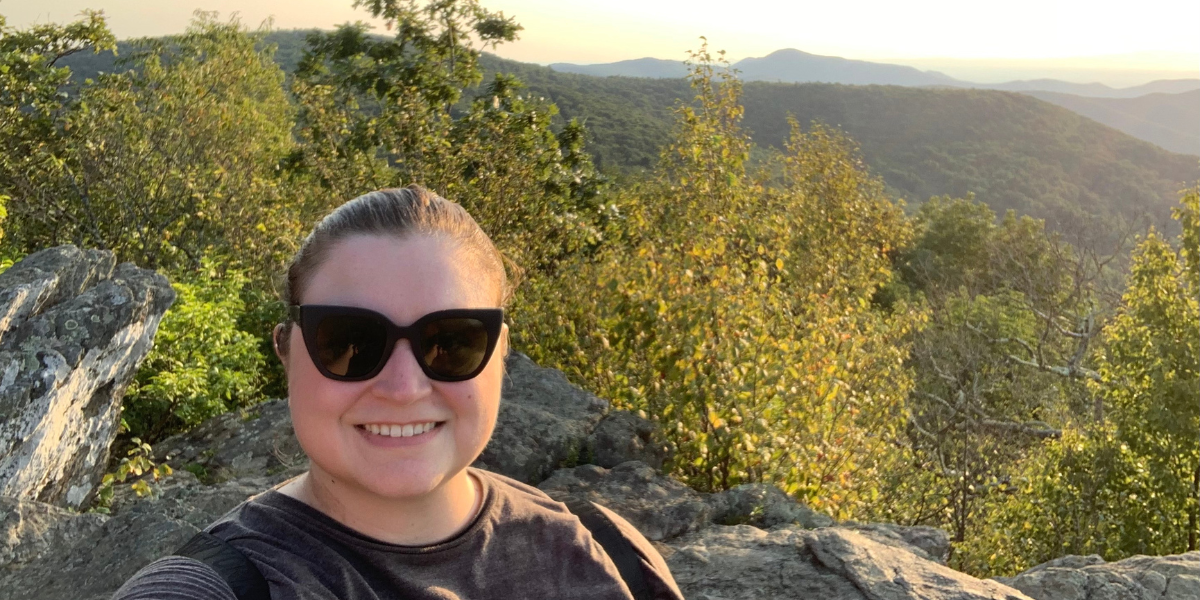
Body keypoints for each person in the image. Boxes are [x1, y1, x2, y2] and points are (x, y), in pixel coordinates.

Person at [110, 186, 685, 600]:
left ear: (500, 353)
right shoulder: (217, 588)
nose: (404, 387)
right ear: (286, 351)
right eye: (350, 342)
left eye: (452, 342)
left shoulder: (605, 549)